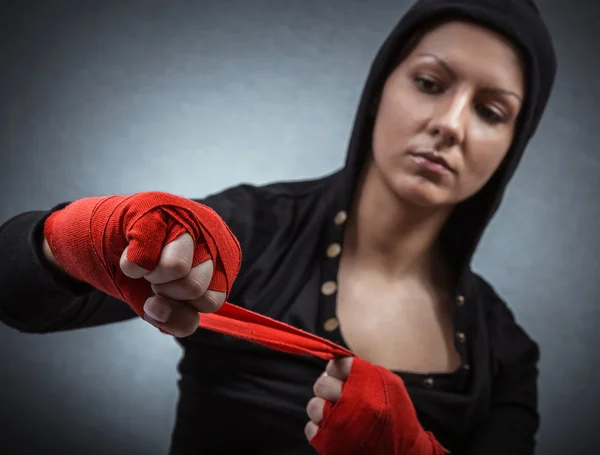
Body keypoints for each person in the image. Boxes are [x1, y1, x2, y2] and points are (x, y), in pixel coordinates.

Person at [0, 0, 557, 453]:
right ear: (379, 88)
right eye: (431, 83)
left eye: (491, 111)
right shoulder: (255, 230)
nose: (449, 124)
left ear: (512, 146)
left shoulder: (505, 355)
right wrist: (92, 234)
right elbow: (14, 293)